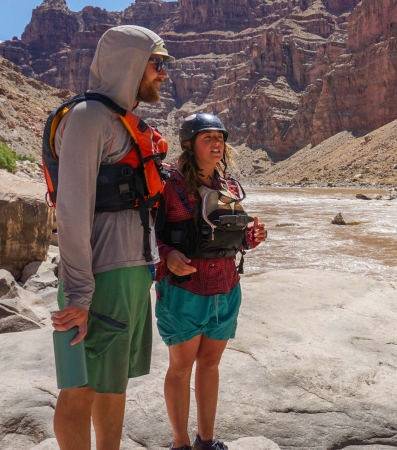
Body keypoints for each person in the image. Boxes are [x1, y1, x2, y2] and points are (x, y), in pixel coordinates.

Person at [49, 25, 174, 450]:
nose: (162, 74)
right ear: (131, 63)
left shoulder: (122, 122)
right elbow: (71, 211)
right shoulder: (87, 119)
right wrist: (80, 295)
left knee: (113, 382)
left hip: (133, 273)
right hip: (100, 277)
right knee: (81, 387)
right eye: (157, 64)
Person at [154, 113, 267, 450]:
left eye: (220, 137)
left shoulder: (228, 184)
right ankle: (180, 443)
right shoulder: (169, 185)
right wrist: (167, 255)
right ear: (190, 145)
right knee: (181, 366)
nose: (217, 143)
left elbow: (227, 235)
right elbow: (146, 234)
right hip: (184, 290)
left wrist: (251, 237)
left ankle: (206, 440)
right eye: (208, 138)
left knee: (210, 364)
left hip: (226, 287)